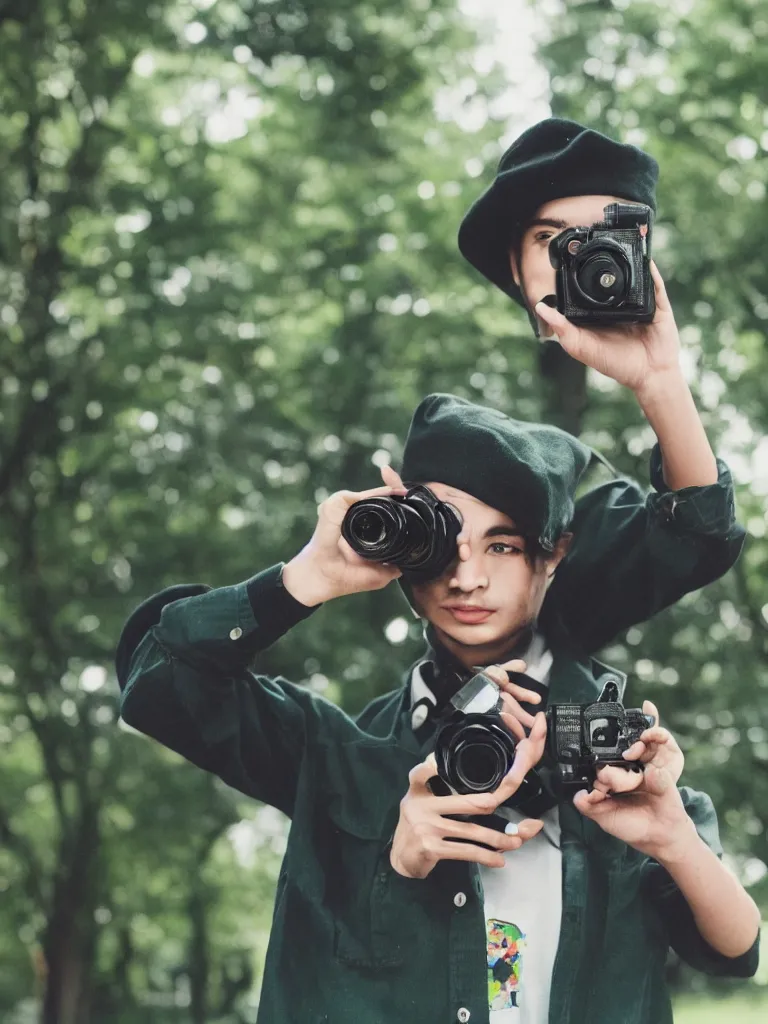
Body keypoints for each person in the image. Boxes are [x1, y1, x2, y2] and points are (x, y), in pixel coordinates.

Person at [115, 119, 761, 1023]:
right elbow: (159, 682)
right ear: (403, 559)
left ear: (553, 557)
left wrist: (676, 840)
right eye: (442, 543)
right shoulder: (338, 761)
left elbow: (734, 951)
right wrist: (311, 574)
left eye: (504, 545)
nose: (469, 576)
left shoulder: (618, 761)